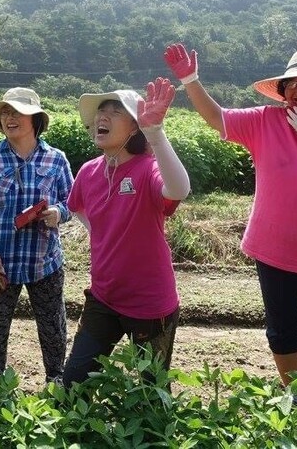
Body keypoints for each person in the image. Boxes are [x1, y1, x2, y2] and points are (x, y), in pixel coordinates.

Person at [163, 44, 297, 385]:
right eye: (291, 83)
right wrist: (190, 79)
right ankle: (295, 396)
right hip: (273, 251)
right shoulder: (266, 121)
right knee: (282, 332)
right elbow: (217, 117)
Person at [62, 78, 191, 388]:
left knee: (152, 390)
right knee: (73, 383)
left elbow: (179, 189)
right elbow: (77, 207)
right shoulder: (89, 171)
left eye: (115, 111)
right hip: (104, 297)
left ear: (135, 127)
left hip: (150, 303)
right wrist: (104, 235)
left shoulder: (148, 168)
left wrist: (156, 135)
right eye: (100, 111)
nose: (101, 117)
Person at [0, 87, 74, 384]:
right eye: (5, 112)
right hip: (1, 262)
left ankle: (57, 384)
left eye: (17, 112)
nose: (9, 117)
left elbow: (74, 202)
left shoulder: (55, 160)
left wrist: (59, 212)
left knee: (53, 326)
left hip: (44, 261)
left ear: (35, 119)